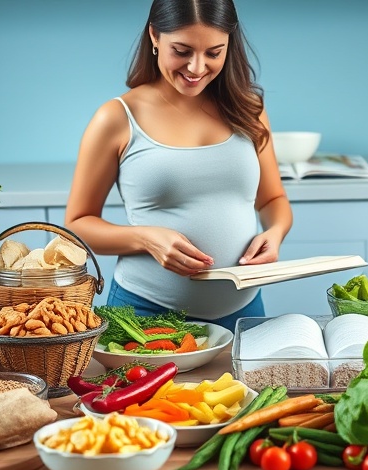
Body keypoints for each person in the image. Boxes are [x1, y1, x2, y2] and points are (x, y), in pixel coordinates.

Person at [64, 0, 292, 332]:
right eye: (182, 51)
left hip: (244, 307)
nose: (197, 68)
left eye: (213, 53)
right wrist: (145, 238)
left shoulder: (249, 108)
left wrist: (275, 233)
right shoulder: (116, 118)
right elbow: (78, 225)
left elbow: (273, 200)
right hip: (145, 314)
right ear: (155, 36)